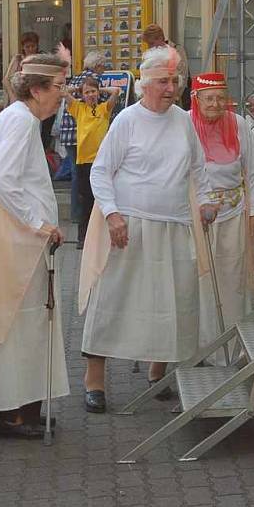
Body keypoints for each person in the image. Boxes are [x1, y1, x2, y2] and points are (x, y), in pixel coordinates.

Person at [78, 47, 215, 413]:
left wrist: (206, 201)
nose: (171, 88)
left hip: (175, 225)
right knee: (114, 300)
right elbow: (100, 171)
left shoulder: (185, 120)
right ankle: (94, 382)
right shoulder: (127, 120)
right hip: (130, 226)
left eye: (175, 81)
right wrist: (112, 214)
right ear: (144, 84)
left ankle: (159, 373)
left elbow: (199, 170)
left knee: (171, 301)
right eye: (163, 81)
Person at [0, 52, 70, 439]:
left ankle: (26, 407)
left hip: (19, 241)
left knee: (28, 325)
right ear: (38, 88)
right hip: (16, 244)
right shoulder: (22, 121)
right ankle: (12, 414)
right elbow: (3, 179)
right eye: (59, 87)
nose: (63, 94)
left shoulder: (17, 118)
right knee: (19, 324)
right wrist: (39, 223)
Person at [189, 72, 254, 364]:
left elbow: (252, 172)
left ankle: (233, 349)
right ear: (196, 99)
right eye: (209, 98)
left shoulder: (239, 123)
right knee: (201, 282)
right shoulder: (185, 123)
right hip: (197, 217)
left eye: (221, 98)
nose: (216, 104)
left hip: (235, 213)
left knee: (232, 280)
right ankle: (198, 350)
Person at [63, 77, 120, 248]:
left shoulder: (104, 109)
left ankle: (103, 235)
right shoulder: (79, 109)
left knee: (102, 198)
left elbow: (116, 92)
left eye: (93, 91)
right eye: (87, 92)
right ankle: (83, 237)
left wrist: (101, 89)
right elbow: (63, 93)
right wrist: (79, 91)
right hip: (84, 162)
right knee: (85, 200)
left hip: (101, 162)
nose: (90, 95)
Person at [57, 50, 109, 223]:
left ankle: (76, 215)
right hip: (83, 133)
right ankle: (87, 215)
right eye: (103, 66)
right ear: (98, 65)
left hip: (68, 131)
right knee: (87, 178)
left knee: (76, 176)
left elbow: (66, 93)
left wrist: (77, 89)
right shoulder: (95, 79)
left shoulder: (77, 77)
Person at [141, 24, 190, 109]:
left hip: (173, 101)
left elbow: (182, 76)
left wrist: (173, 97)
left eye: (151, 43)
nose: (149, 46)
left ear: (160, 38)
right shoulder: (150, 53)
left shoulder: (176, 51)